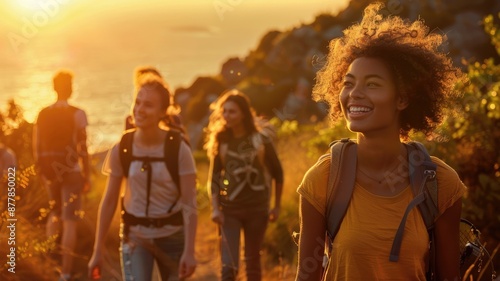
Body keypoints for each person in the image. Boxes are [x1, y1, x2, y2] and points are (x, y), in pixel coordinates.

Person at [295, 3, 467, 281]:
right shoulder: (324, 179)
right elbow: (306, 276)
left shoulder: (439, 183)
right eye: (348, 83)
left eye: (372, 84)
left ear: (403, 99)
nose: (354, 94)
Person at [88, 73, 197, 281]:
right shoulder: (122, 147)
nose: (139, 109)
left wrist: (190, 251)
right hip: (135, 238)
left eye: (148, 105)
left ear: (162, 112)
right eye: (137, 102)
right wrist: (98, 250)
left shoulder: (178, 149)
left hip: (173, 236)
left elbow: (189, 202)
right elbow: (109, 201)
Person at [204, 89, 284, 281]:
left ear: (243, 114)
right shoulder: (221, 141)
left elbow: (278, 173)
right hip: (229, 211)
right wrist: (215, 209)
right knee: (228, 267)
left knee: (253, 264)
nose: (226, 116)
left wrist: (277, 206)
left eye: (232, 111)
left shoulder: (261, 140)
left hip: (258, 210)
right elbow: (214, 179)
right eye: (224, 111)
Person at [33, 70, 91, 281]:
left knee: (54, 214)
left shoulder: (42, 114)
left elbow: (37, 145)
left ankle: (49, 264)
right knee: (70, 221)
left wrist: (42, 170)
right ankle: (65, 274)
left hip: (50, 172)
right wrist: (88, 175)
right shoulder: (78, 113)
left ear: (54, 88)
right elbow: (83, 147)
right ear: (71, 88)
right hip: (72, 171)